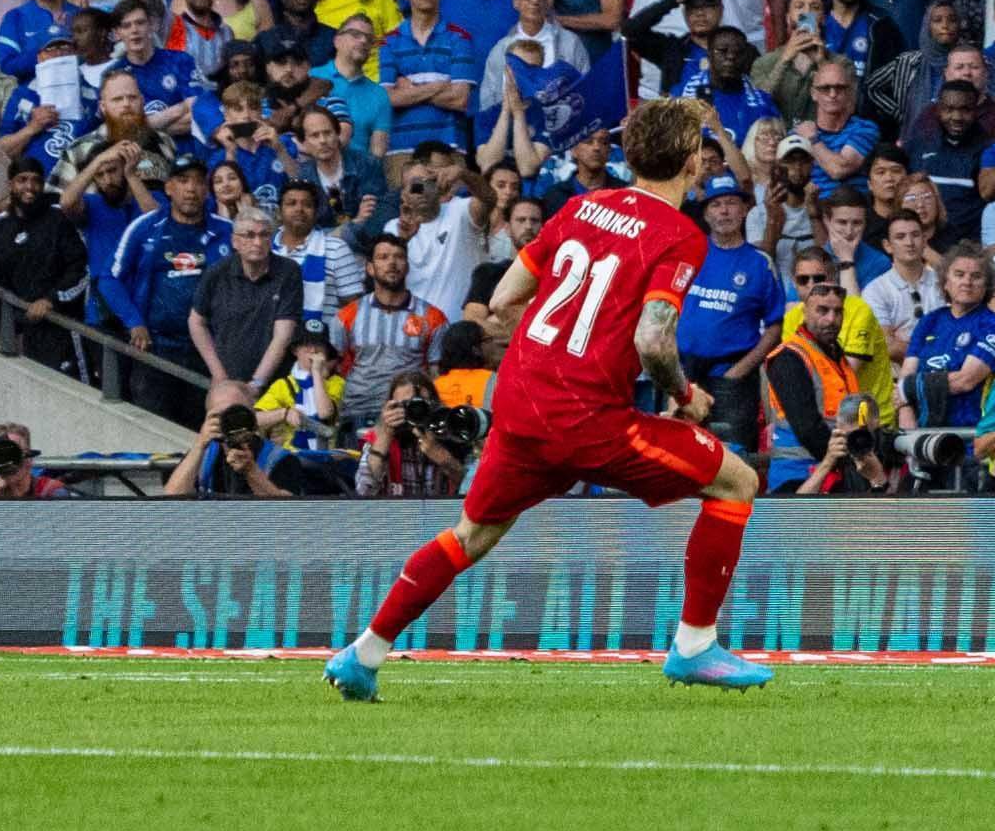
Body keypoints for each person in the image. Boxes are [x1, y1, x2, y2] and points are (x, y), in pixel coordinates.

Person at [328, 93, 774, 695]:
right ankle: (695, 644)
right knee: (737, 482)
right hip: (584, 415)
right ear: (693, 161)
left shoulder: (582, 207)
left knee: (471, 535)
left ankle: (363, 654)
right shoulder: (679, 234)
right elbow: (653, 339)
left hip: (519, 399)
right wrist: (685, 394)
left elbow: (509, 293)